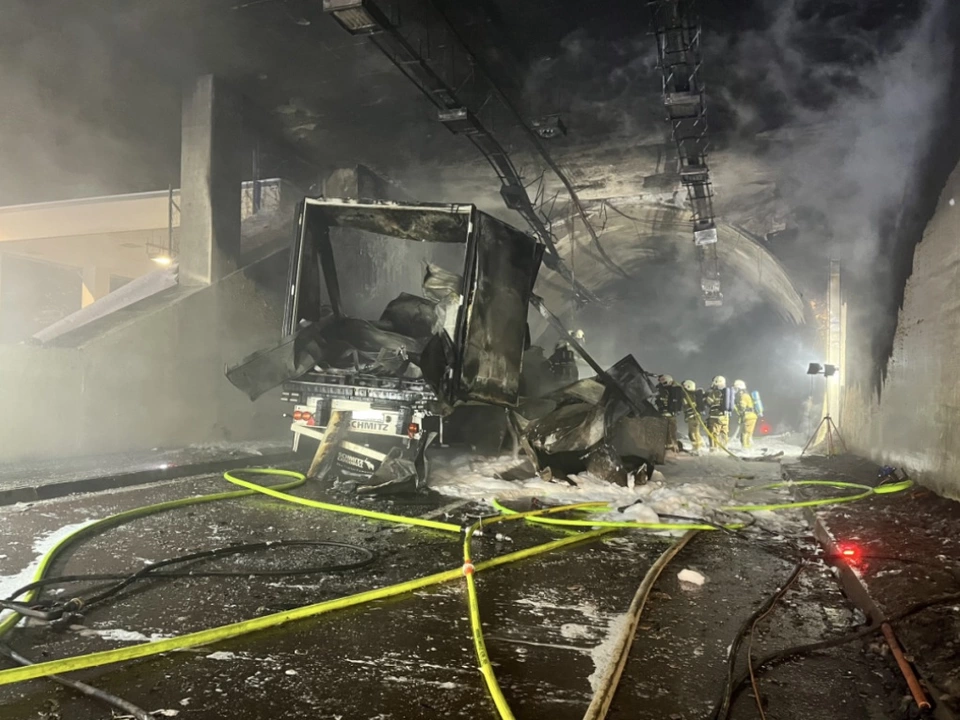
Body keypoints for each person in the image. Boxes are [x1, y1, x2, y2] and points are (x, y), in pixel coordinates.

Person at [705, 375, 730, 450]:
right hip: (725, 417)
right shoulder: (727, 393)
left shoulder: (714, 393)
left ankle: (714, 449)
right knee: (724, 433)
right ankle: (723, 448)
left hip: (715, 417)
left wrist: (705, 396)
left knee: (713, 433)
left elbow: (708, 402)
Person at [733, 379, 759, 448]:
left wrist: (736, 405)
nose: (735, 391)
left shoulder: (743, 396)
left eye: (736, 389)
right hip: (752, 416)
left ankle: (745, 449)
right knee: (748, 434)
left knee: (744, 434)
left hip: (748, 416)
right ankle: (749, 447)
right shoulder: (747, 395)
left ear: (740, 389)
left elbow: (742, 407)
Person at [656, 374, 679, 452]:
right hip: (665, 416)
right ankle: (669, 447)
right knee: (667, 433)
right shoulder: (662, 391)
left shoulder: (672, 391)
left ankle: (671, 448)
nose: (663, 384)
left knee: (671, 432)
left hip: (669, 416)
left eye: (664, 382)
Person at [680, 379, 703, 453]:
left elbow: (688, 405)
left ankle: (697, 448)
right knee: (694, 432)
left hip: (693, 417)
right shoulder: (689, 395)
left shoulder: (690, 396)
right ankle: (697, 447)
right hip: (692, 417)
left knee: (693, 433)